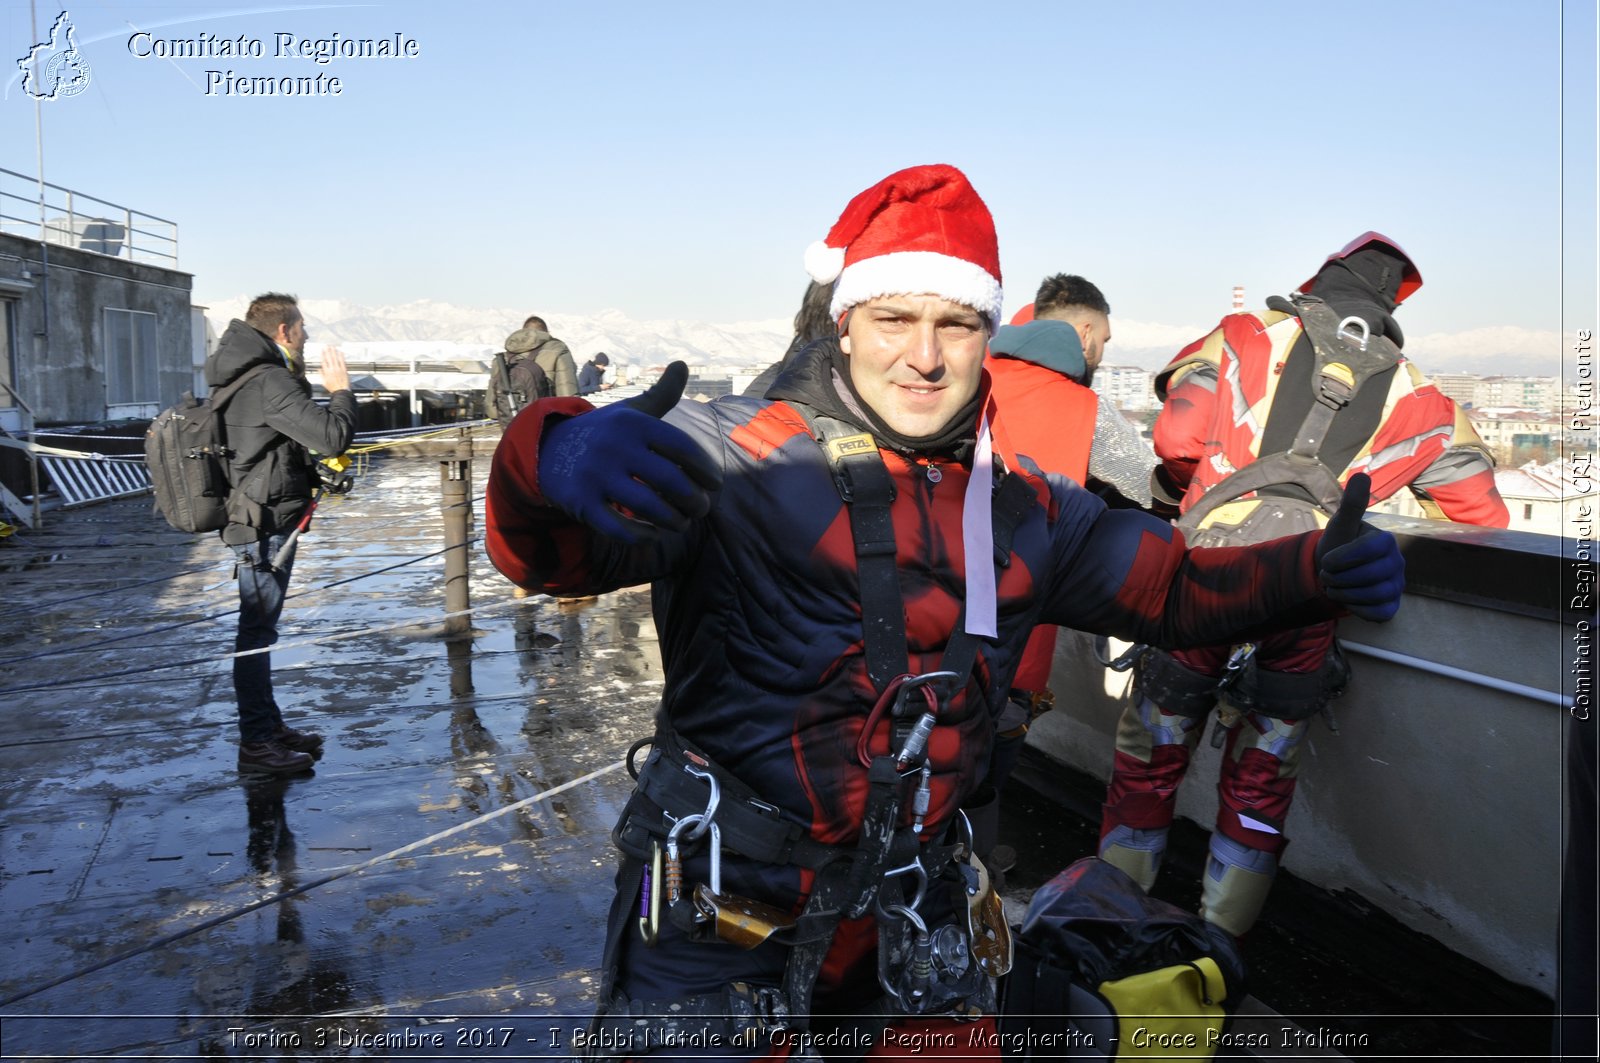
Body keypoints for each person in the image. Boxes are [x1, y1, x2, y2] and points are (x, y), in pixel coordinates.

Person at [485, 165, 1405, 1057]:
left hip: (915, 912)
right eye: (894, 319)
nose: (924, 355)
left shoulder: (1032, 507)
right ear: (845, 325)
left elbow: (1175, 591)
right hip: (719, 909)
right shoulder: (732, 455)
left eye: (956, 325)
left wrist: (1310, 570)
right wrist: (548, 456)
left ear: (987, 334)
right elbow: (550, 558)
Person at [1098, 233, 1509, 938]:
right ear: (1390, 308)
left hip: (1204, 580)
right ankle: (1216, 950)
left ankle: (1106, 926)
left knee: (1151, 756)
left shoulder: (1242, 339)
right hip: (1311, 593)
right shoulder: (1429, 403)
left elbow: (1174, 442)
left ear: (1317, 284)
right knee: (1262, 783)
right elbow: (1485, 518)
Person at [977, 276, 1161, 860]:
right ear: (1082, 333)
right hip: (1017, 630)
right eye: (1103, 340)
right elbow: (1152, 491)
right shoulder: (1085, 409)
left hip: (919, 615)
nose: (1102, 354)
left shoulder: (963, 380)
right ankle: (971, 882)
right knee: (988, 765)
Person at [206, 293, 356, 775]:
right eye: (303, 327)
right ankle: (256, 744)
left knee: (258, 629)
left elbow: (278, 447)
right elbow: (331, 435)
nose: (308, 335)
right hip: (261, 524)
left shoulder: (250, 373)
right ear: (284, 332)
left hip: (258, 516)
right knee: (255, 631)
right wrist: (340, 391)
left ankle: (268, 729)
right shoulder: (268, 379)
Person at [516, 315, 580, 397]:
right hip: (544, 408)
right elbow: (567, 390)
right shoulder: (558, 350)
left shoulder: (506, 356)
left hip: (511, 409)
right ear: (546, 333)